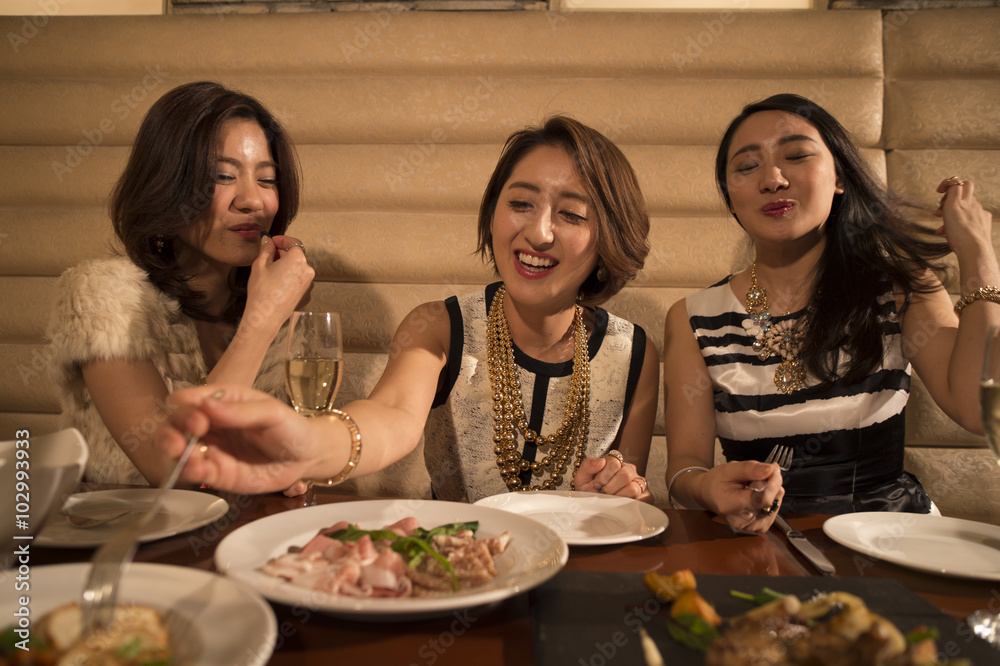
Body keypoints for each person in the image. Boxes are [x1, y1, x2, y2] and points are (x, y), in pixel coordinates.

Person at [158, 116, 660, 503]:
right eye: (521, 204)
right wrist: (306, 447)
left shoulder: (635, 353)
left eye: (571, 214)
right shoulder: (439, 325)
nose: (538, 232)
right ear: (492, 215)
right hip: (464, 570)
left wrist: (617, 487)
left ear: (608, 239)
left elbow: (623, 494)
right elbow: (389, 417)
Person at [662, 93, 999, 533]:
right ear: (730, 196)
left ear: (839, 177)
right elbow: (684, 469)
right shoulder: (694, 317)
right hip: (763, 549)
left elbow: (978, 410)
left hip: (896, 542)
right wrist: (709, 489)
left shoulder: (897, 288)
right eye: (746, 167)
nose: (773, 179)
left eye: (796, 155)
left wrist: (978, 255)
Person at [47, 81, 314, 488]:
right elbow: (172, 467)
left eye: (267, 179)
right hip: (124, 543)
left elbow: (283, 460)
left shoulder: (268, 296)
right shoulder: (101, 298)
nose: (252, 201)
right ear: (167, 184)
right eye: (223, 176)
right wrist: (265, 316)